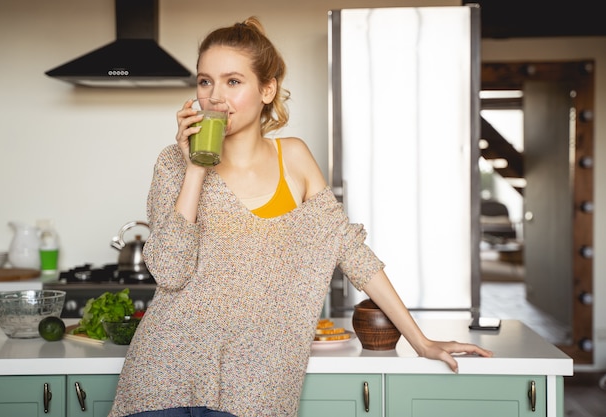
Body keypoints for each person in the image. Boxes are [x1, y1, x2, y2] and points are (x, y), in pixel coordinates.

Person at [108, 16, 493, 417]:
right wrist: (195, 167)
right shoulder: (173, 163)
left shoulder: (293, 157)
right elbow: (169, 271)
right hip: (163, 379)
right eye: (205, 81)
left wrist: (421, 340)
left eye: (233, 81)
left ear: (267, 89)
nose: (215, 97)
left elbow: (351, 252)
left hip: (256, 388)